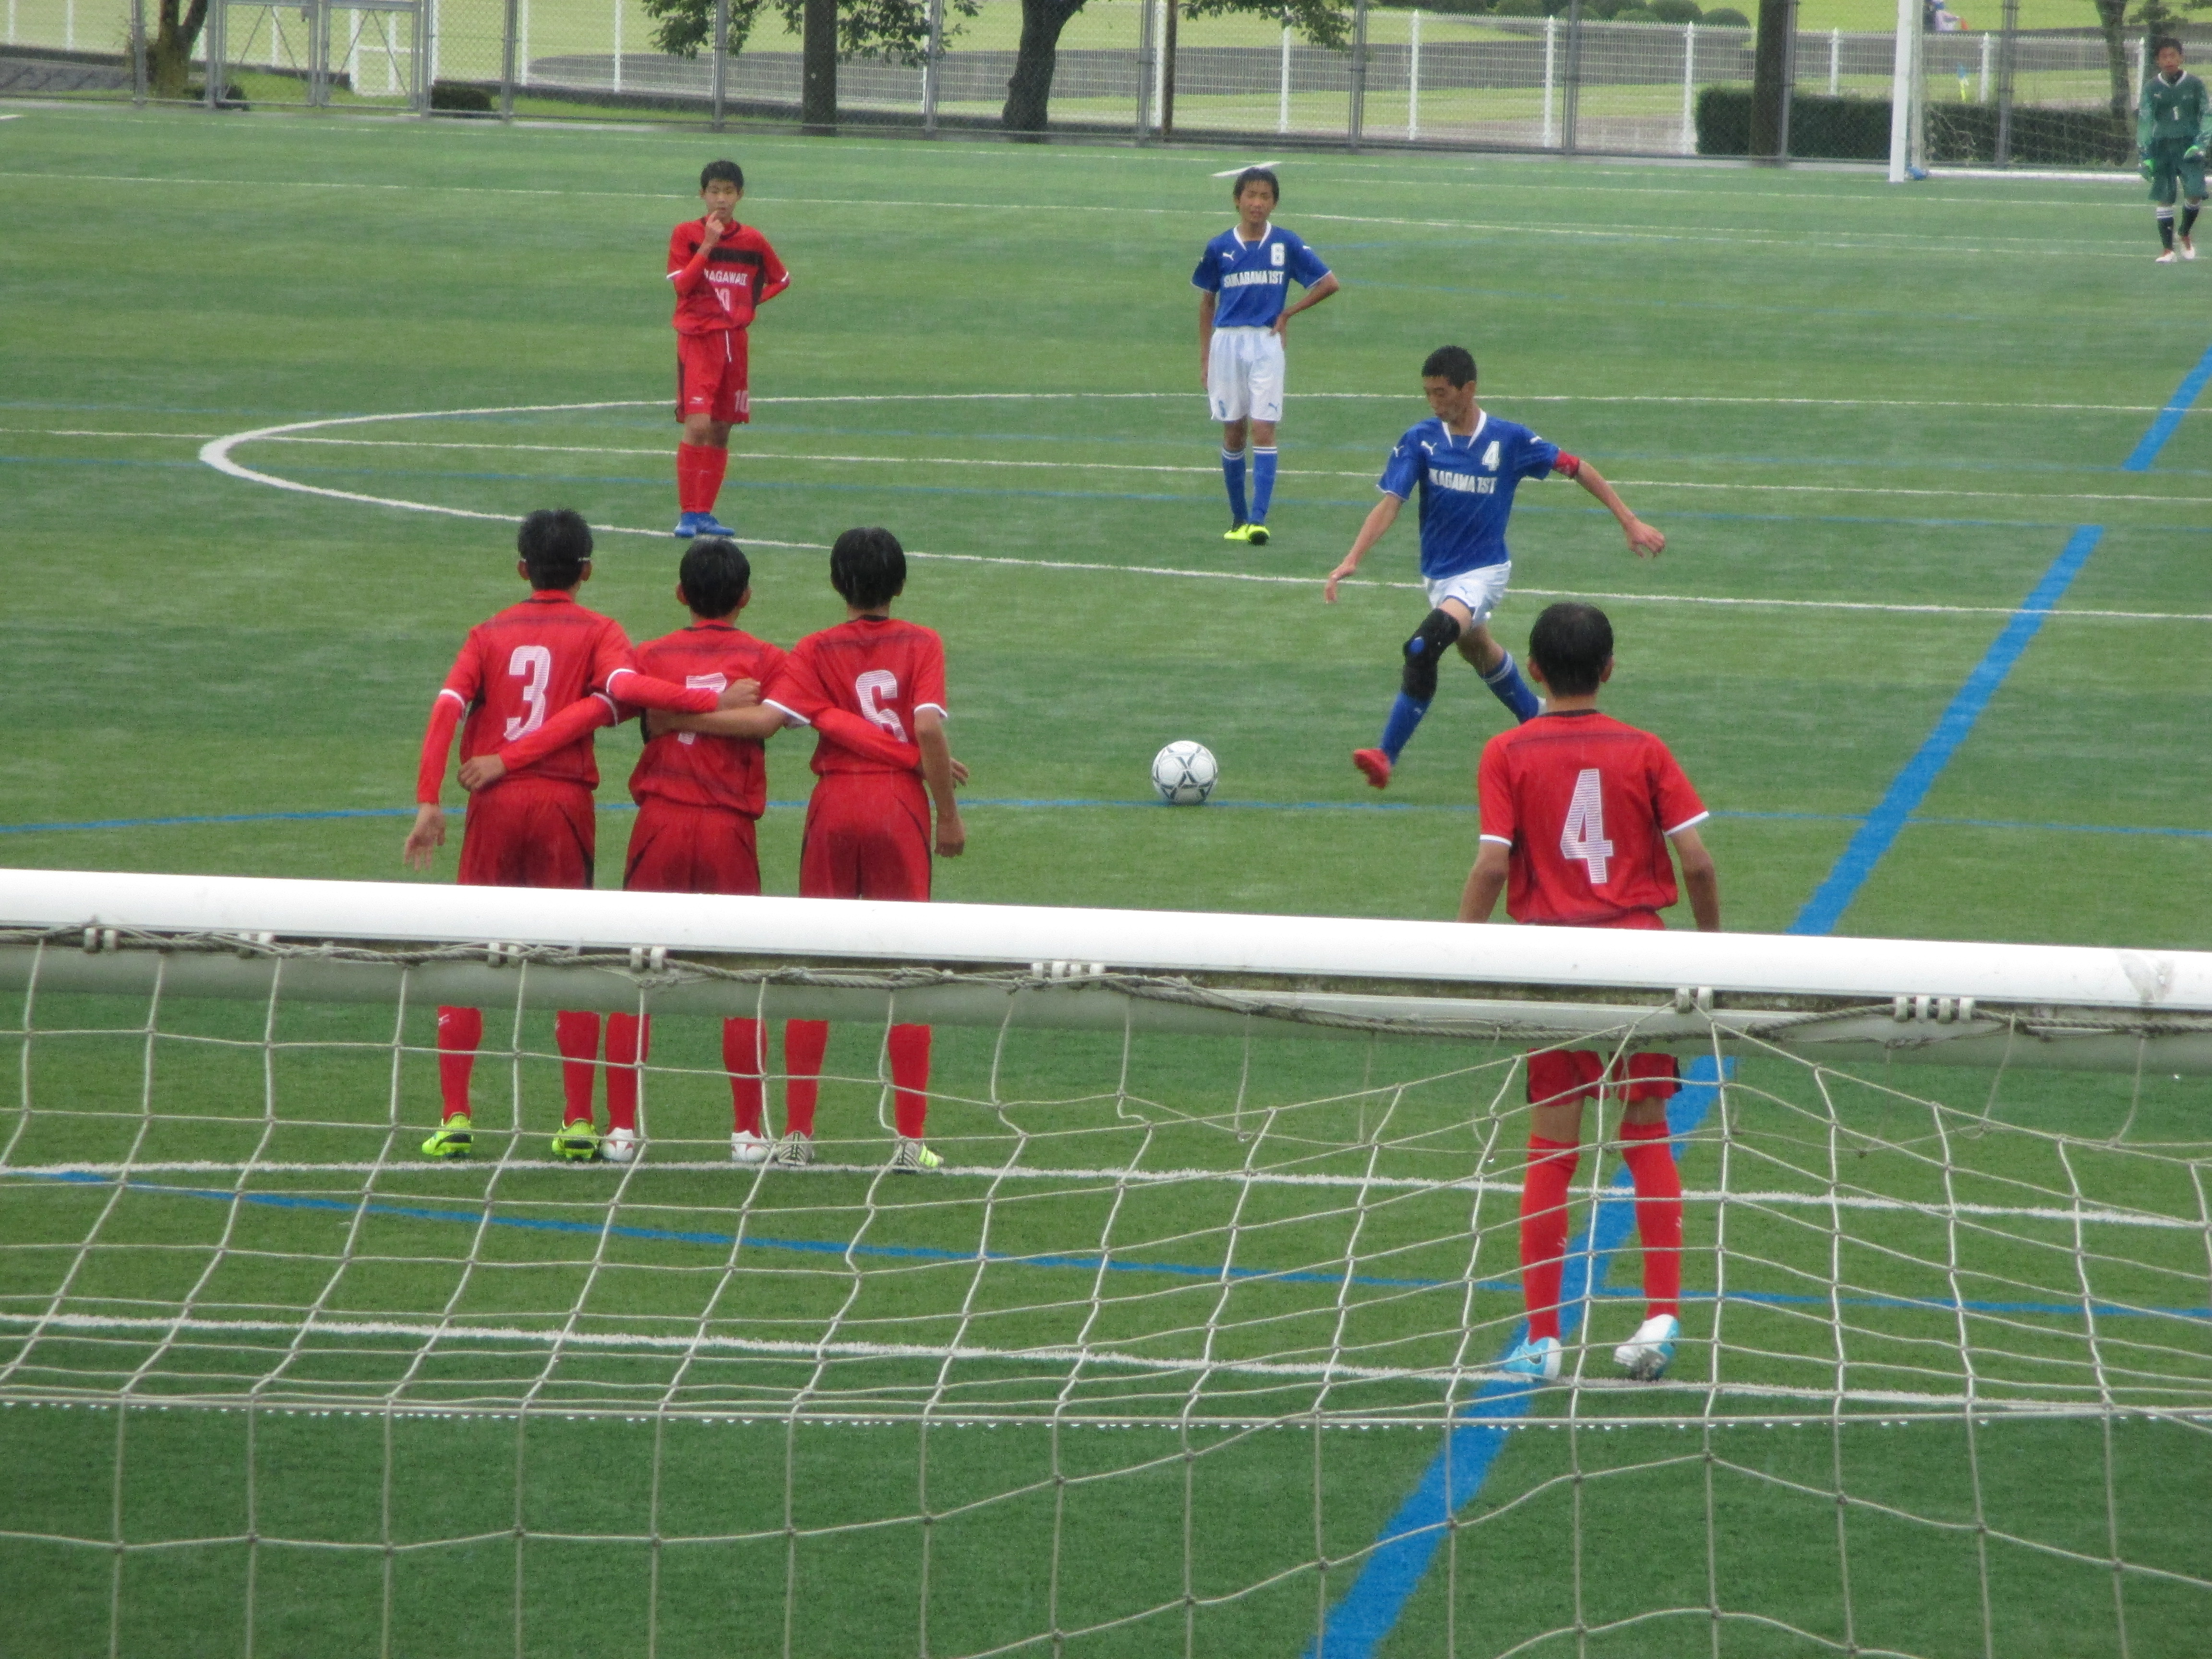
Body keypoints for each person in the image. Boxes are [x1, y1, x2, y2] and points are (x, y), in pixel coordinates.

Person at [473, 539, 927, 1165]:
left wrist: (666, 719)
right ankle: (748, 1133)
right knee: (741, 979)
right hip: (729, 831)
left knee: (633, 973)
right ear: (747, 597)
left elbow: (605, 709)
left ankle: (622, 1130)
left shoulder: (650, 656)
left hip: (658, 825)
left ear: (681, 594)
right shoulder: (768, 659)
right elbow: (771, 721)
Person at [403, 509, 741, 1162]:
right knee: (573, 957)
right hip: (562, 807)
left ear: (522, 568)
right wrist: (713, 700)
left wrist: (429, 800)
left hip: (493, 805)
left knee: (468, 950)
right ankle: (580, 1121)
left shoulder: (488, 633)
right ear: (587, 570)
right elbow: (623, 690)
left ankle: (455, 1115)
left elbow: (446, 708)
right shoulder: (601, 631)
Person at [1456, 602, 1719, 1385]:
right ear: (1609, 669)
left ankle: (1542, 1339)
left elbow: (1493, 865)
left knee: (1551, 1149)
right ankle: (1660, 1317)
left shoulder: (1506, 750)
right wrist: (1712, 953)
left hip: (1554, 967)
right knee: (1645, 1136)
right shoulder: (1644, 748)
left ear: (1533, 670)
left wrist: (1453, 954)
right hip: (1638, 961)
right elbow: (1698, 862)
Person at [1323, 346, 1665, 791]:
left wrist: (1629, 521)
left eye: (1442, 393)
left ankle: (1386, 754)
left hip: (1483, 573)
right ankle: (1539, 719)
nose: (1434, 403)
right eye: (1428, 394)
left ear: (1468, 389)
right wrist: (1353, 557)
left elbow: (1578, 468)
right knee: (1479, 651)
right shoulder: (1420, 440)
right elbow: (1392, 503)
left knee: (1423, 647)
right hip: (1439, 576)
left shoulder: (1509, 440)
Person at [743, 528, 966, 1172]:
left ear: (837, 583)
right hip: (898, 807)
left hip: (835, 803)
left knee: (814, 964)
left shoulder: (814, 648)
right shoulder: (922, 642)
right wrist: (947, 815)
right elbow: (927, 728)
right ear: (901, 583)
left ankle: (797, 1133)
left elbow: (784, 719)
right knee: (909, 970)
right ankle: (910, 1139)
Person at [1192, 167, 1341, 547]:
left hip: (1266, 342)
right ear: (1237, 200)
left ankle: (1259, 520)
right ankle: (1238, 519)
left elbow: (1329, 283)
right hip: (1227, 343)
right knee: (1233, 430)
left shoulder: (1285, 243)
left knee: (1263, 427)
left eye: (1265, 197)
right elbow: (1207, 302)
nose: (1257, 203)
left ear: (1274, 203)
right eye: (1251, 195)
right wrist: (1206, 358)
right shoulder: (1219, 247)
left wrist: (1288, 313)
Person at [670, 159, 791, 539]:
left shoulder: (753, 240)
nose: (721, 199)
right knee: (698, 424)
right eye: (714, 192)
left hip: (734, 344)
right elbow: (682, 286)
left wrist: (748, 305)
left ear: (740, 195)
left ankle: (705, 513)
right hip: (699, 341)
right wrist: (708, 244)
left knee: (722, 429)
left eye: (728, 192)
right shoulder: (686, 235)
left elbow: (781, 279)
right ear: (702, 194)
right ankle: (687, 514)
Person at [2140, 38, 2211, 264]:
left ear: (2181, 57)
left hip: (2189, 145)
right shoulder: (2151, 88)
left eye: (2173, 56)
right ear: (2157, 61)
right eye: (2164, 57)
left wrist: (2201, 144)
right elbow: (2145, 121)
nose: (2169, 60)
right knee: (2164, 197)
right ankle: (2167, 250)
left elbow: (2207, 115)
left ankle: (2184, 232)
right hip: (2162, 147)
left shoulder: (2195, 84)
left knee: (2195, 193)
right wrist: (2145, 155)